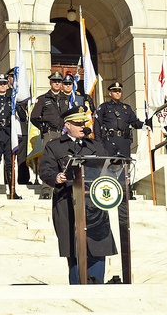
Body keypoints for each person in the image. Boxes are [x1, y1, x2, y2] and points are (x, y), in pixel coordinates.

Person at [39, 106, 115, 284]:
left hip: (94, 205)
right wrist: (56, 177)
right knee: (75, 251)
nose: (82, 126)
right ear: (67, 125)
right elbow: (45, 170)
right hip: (68, 205)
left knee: (98, 248)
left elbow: (108, 169)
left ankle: (97, 286)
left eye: (83, 122)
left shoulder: (95, 145)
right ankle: (78, 286)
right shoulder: (55, 146)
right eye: (78, 123)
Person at [96, 81, 143, 160]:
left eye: (119, 91)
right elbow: (97, 124)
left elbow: (134, 122)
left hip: (124, 140)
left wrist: (145, 125)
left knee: (125, 166)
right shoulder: (104, 107)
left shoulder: (126, 108)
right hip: (109, 140)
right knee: (108, 165)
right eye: (115, 91)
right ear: (110, 93)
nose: (117, 93)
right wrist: (98, 142)